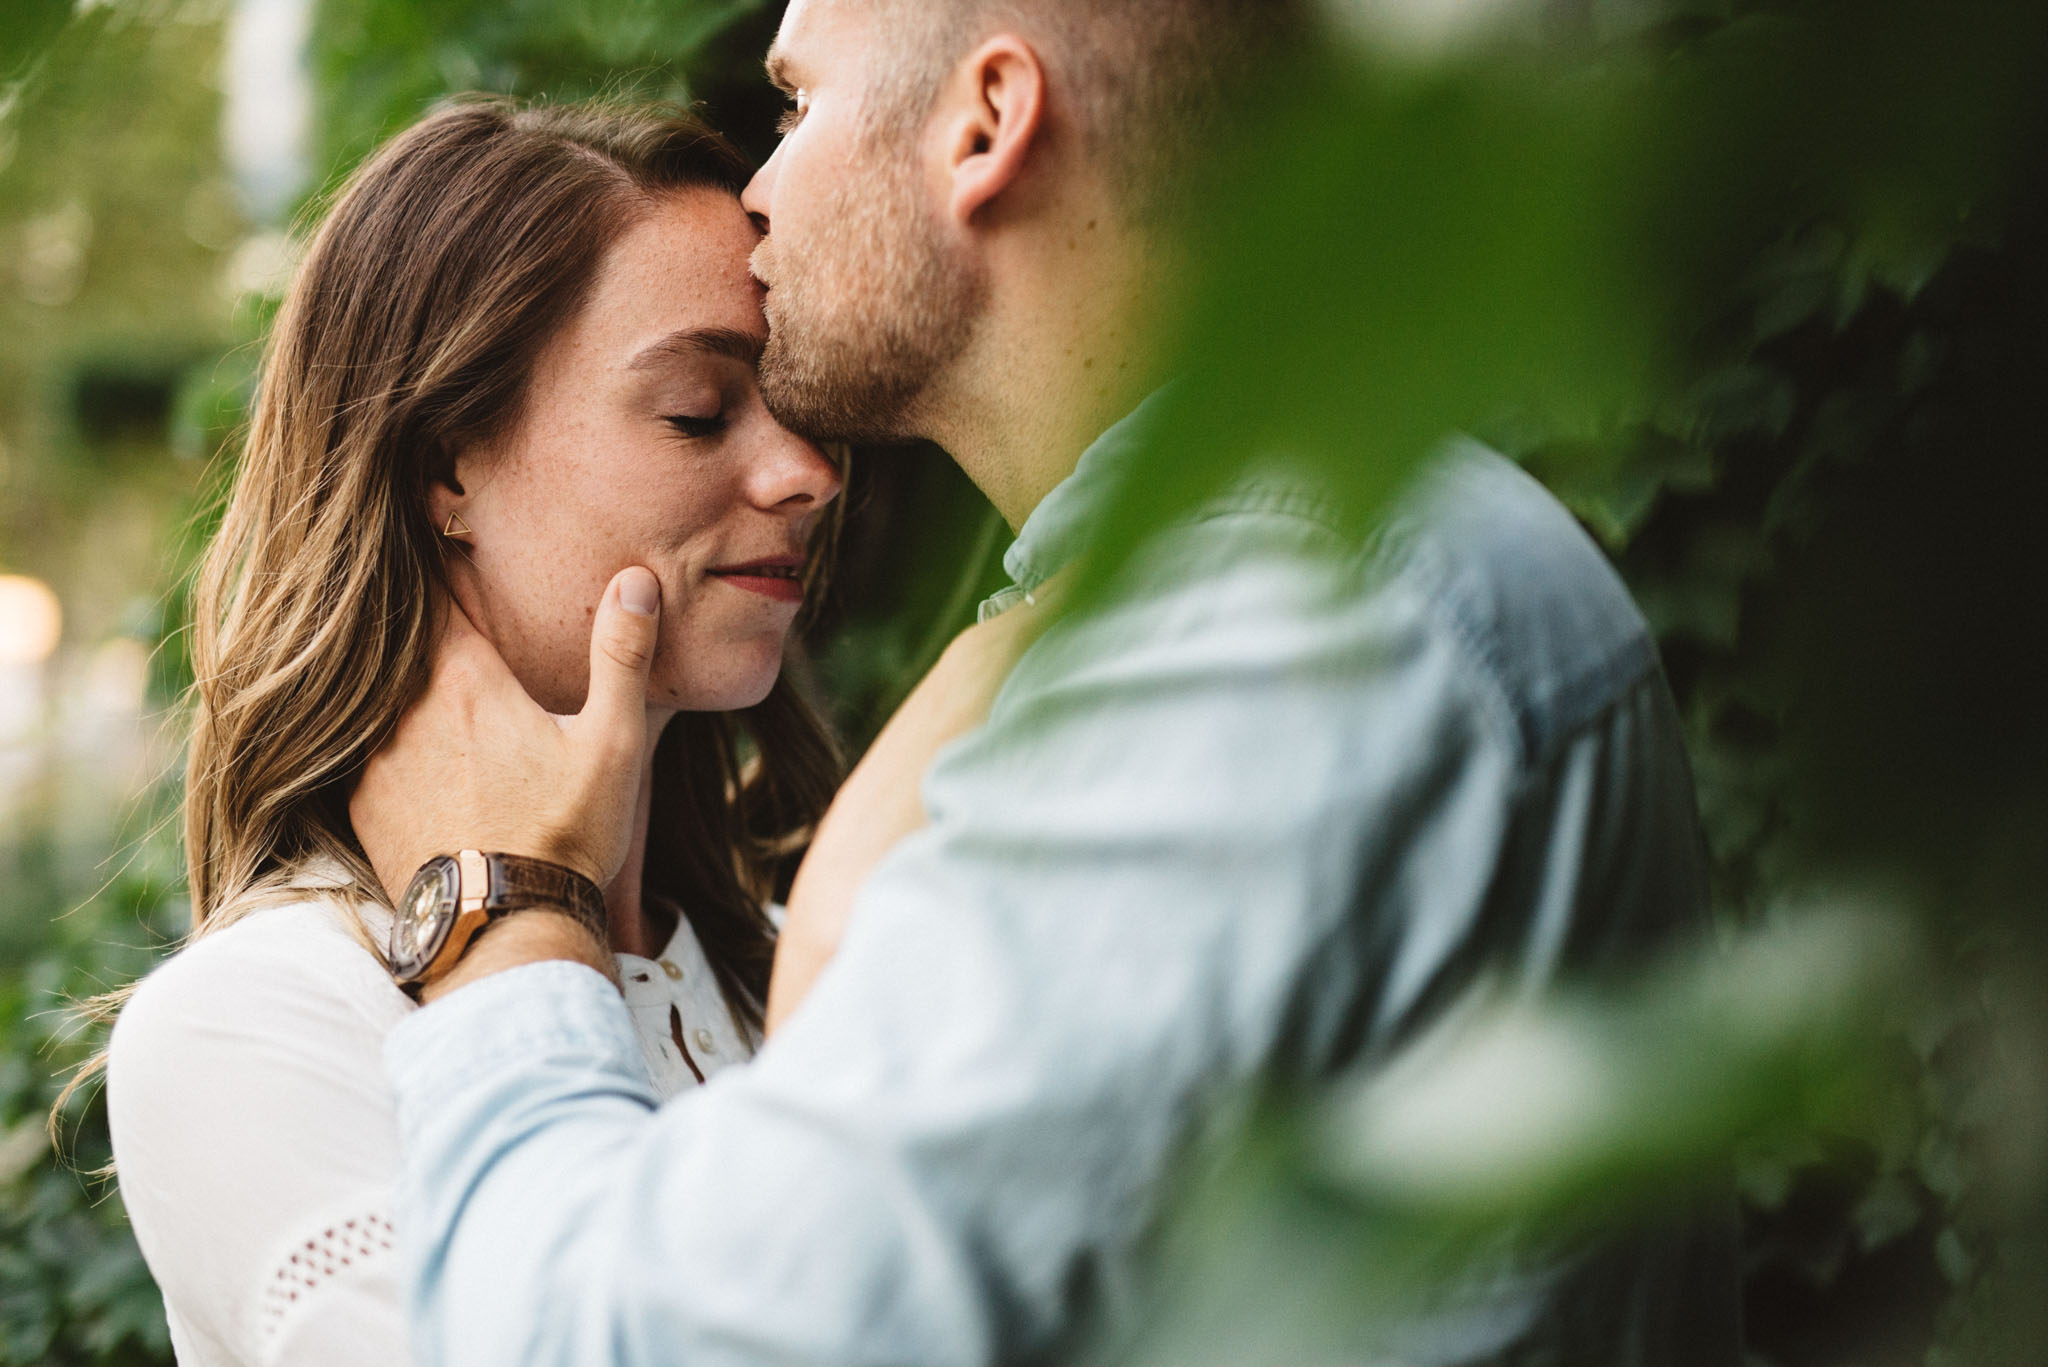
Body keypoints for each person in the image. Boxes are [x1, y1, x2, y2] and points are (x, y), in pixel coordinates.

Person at [359, 1, 1744, 1363]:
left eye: (795, 106)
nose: (758, 193)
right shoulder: (1295, 584)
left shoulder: (1275, 639)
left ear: (985, 123)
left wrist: (506, 917)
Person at [102, 99, 848, 1367]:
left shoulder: (804, 965)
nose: (807, 472)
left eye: (793, 401)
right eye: (698, 410)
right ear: (451, 465)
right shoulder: (253, 1025)